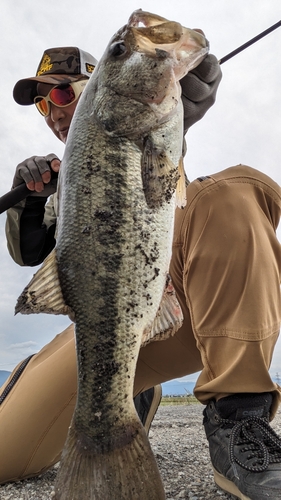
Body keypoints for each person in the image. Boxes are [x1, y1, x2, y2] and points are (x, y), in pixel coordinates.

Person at [0, 43, 280, 500]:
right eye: (42, 104)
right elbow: (31, 258)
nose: (51, 113)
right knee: (3, 455)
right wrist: (28, 204)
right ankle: (132, 394)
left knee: (233, 192)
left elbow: (158, 171)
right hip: (101, 336)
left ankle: (239, 419)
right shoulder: (57, 188)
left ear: (97, 88)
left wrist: (172, 122)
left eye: (63, 96)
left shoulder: (150, 137)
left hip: (192, 316)